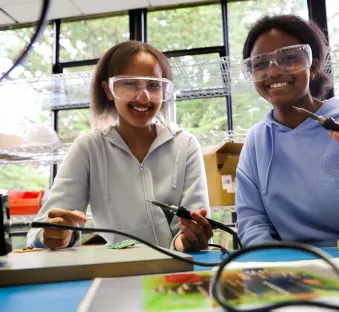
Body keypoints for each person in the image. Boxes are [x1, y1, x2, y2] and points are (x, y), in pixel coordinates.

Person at [27, 40, 213, 252]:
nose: (143, 96)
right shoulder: (88, 149)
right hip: (118, 270)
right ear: (108, 89)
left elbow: (193, 222)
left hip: (177, 267)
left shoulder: (185, 144)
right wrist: (56, 234)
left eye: (154, 85)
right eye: (130, 83)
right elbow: (39, 230)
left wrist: (187, 238)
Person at [236, 14, 339, 247]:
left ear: (313, 66)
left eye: (289, 58)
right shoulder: (257, 141)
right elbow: (252, 221)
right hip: (292, 269)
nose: (272, 72)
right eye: (260, 64)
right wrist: (270, 265)